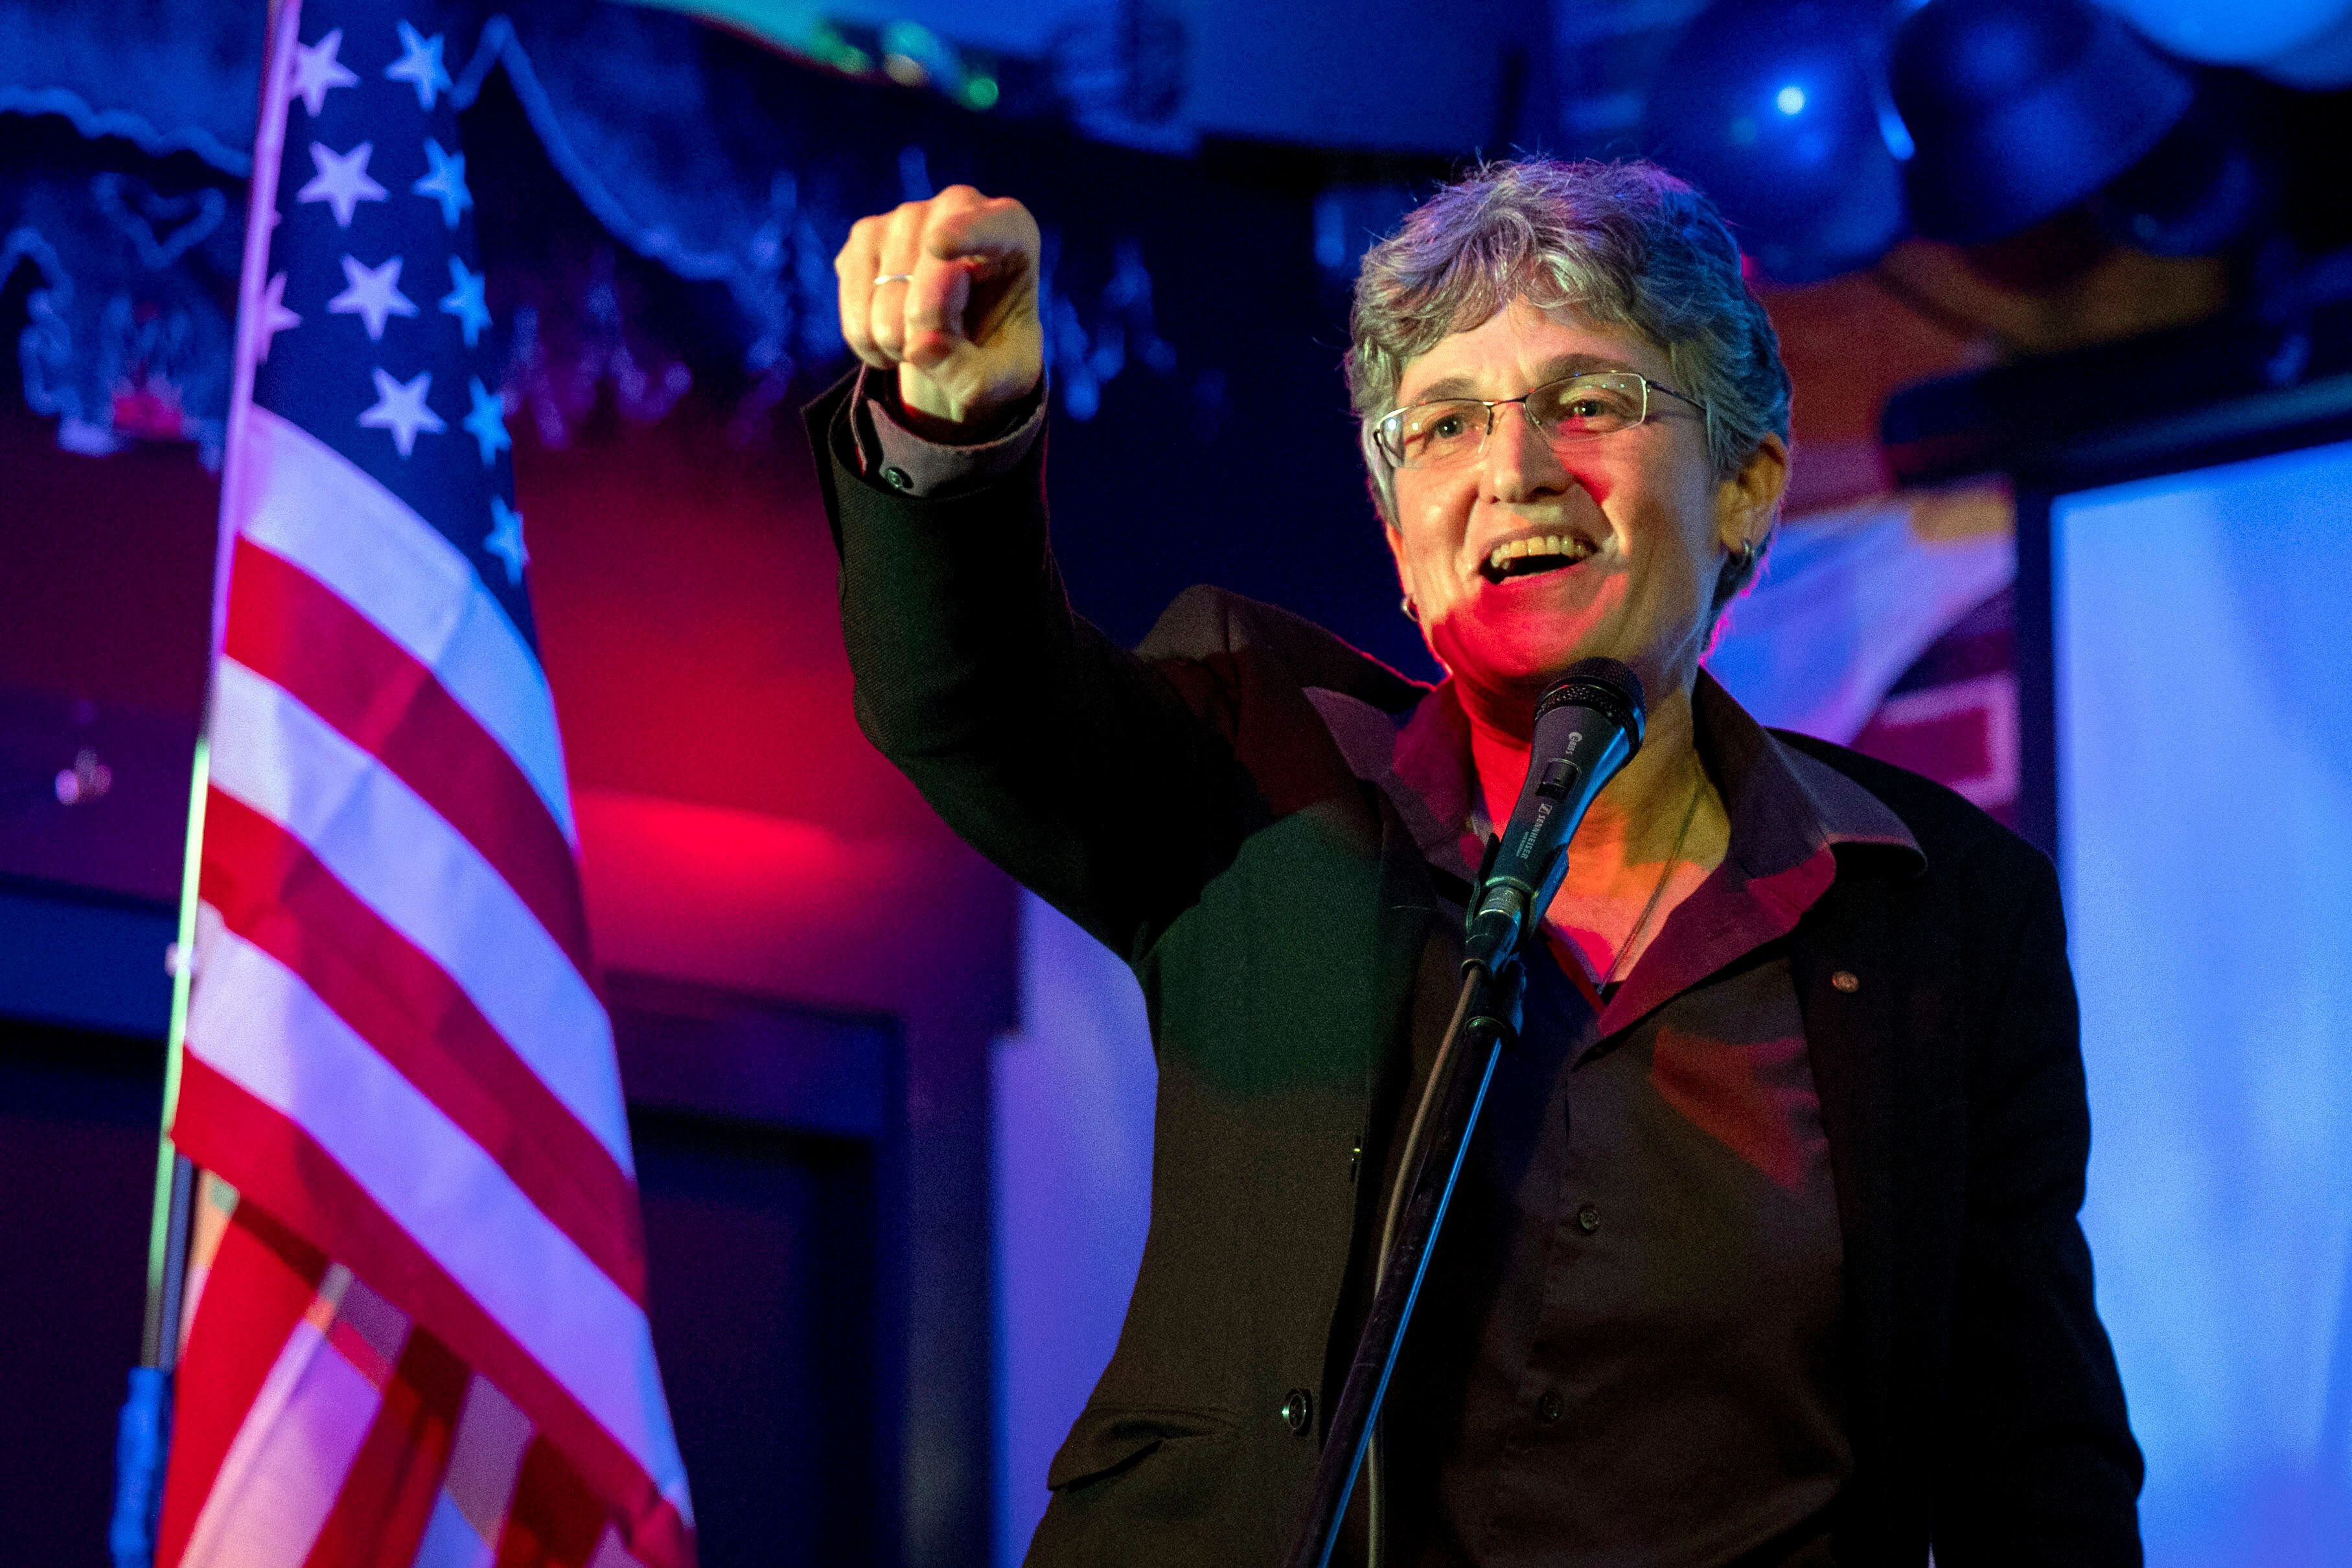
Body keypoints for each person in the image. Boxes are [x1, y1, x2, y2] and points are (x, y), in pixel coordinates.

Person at [809, 160, 2142, 1566]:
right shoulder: (1258, 778)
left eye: (1590, 401)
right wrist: (950, 430)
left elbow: (2029, 1456)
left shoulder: (1942, 909)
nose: (1514, 470)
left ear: (1744, 487)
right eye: (1444, 424)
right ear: (1397, 540)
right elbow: (965, 703)